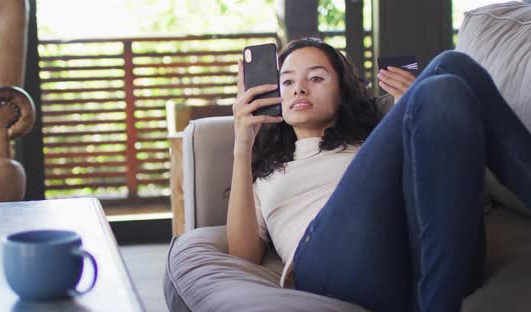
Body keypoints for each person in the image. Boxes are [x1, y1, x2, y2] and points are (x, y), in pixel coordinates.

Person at [226, 37, 531, 312]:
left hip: (431, 257)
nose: (299, 89)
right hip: (334, 264)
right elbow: (243, 253)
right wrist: (243, 145)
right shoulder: (267, 174)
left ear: (343, 92)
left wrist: (429, 119)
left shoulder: (368, 146)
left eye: (316, 77)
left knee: (452, 67)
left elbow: (459, 199)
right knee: (443, 75)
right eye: (287, 81)